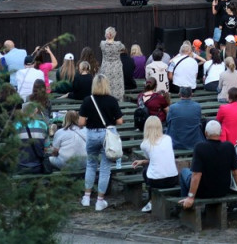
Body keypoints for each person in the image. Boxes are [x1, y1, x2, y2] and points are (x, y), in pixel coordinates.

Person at [179, 120, 237, 210]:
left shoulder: (200, 147)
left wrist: (191, 197)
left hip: (202, 191)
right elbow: (236, 172)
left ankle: (184, 206)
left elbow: (196, 175)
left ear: (205, 133)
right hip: (223, 190)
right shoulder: (229, 146)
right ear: (221, 133)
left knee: (184, 171)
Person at [77, 74, 124, 211]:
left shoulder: (87, 100)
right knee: (105, 168)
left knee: (91, 165)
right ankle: (100, 200)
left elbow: (81, 122)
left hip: (91, 134)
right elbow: (120, 121)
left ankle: (86, 197)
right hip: (107, 135)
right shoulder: (112, 100)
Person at [132, 115, 179, 212]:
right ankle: (152, 200)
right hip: (173, 178)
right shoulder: (168, 138)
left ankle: (151, 200)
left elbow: (152, 158)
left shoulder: (145, 144)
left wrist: (143, 162)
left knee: (145, 171)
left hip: (157, 181)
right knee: (149, 168)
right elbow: (156, 158)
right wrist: (142, 161)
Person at [165, 86, 206, 151]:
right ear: (191, 94)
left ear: (179, 94)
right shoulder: (197, 106)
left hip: (176, 142)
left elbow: (167, 121)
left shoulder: (173, 107)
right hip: (194, 141)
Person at [98, 27, 126, 100]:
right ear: (115, 34)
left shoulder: (102, 44)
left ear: (106, 34)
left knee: (105, 84)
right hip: (116, 68)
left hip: (106, 67)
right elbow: (123, 48)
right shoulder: (119, 44)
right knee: (117, 86)